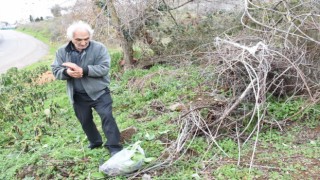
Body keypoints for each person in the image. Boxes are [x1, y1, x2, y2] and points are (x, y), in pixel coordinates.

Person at [51, 21, 122, 156]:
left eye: (86, 39)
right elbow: (56, 70)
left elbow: (104, 68)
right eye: (79, 40)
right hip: (78, 95)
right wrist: (67, 73)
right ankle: (95, 142)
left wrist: (83, 70)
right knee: (85, 120)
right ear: (71, 38)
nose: (83, 43)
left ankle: (114, 147)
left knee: (107, 116)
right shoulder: (61, 52)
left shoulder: (99, 48)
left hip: (99, 92)